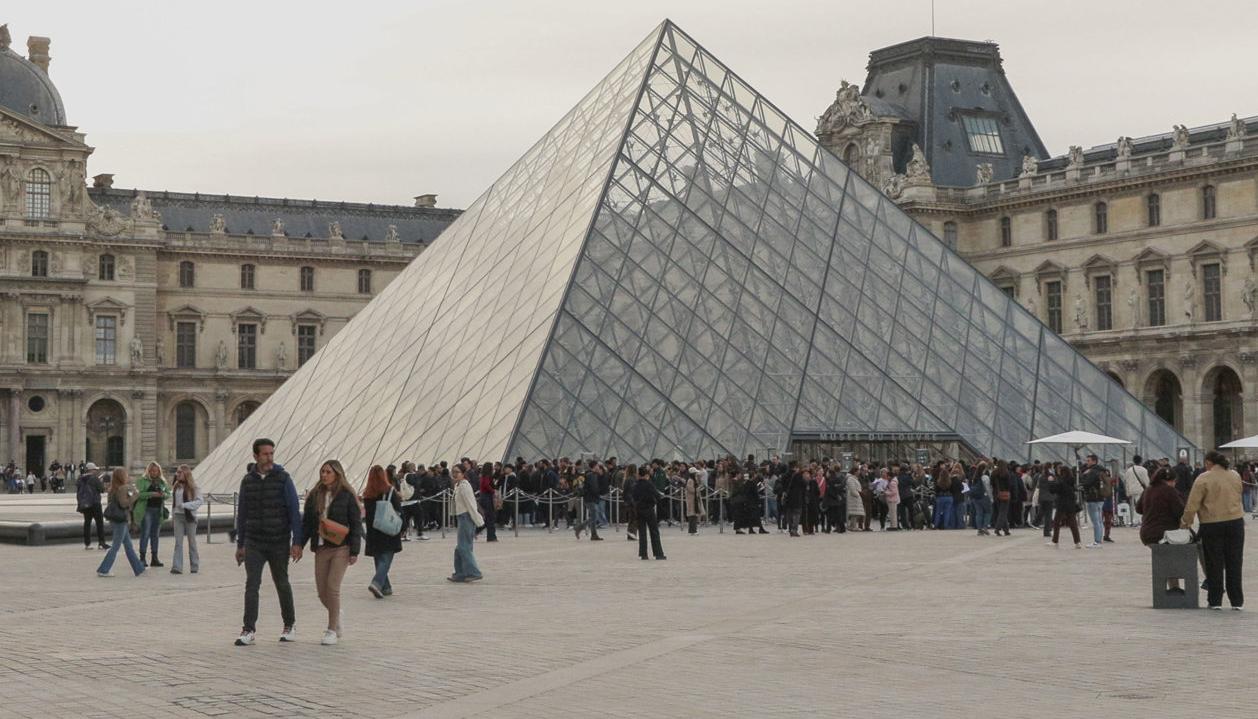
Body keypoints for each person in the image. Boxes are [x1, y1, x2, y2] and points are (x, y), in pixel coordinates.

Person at [234, 438, 304, 647]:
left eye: (271, 453)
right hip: (254, 540)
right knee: (252, 584)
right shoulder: (248, 481)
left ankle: (289, 624)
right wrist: (240, 544)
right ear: (255, 456)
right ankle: (248, 629)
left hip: (278, 540)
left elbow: (293, 510)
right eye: (265, 454)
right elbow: (243, 513)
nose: (269, 457)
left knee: (281, 582)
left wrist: (297, 542)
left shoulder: (283, 479)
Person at [1180, 451, 1245, 610]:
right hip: (1235, 522)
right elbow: (1239, 493)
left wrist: (1185, 523)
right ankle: (1237, 601)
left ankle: (1215, 600)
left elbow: (1192, 505)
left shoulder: (1203, 478)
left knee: (1214, 563)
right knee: (1234, 562)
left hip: (1212, 524)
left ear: (1209, 462)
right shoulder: (1235, 475)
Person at [1135, 467, 1185, 594]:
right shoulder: (1170, 491)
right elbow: (1179, 511)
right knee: (1184, 551)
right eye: (1174, 482)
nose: (1174, 484)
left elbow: (1139, 509)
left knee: (1167, 556)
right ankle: (1175, 587)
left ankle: (1174, 587)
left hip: (1147, 534)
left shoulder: (1148, 490)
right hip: (1165, 534)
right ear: (1171, 481)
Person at [96, 468, 146, 577]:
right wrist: (135, 496)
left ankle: (138, 568)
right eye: (126, 475)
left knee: (128, 546)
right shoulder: (123, 488)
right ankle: (104, 569)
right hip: (121, 519)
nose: (127, 476)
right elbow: (124, 504)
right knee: (116, 546)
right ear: (122, 476)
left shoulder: (113, 489)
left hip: (115, 519)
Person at [363, 464, 403, 599]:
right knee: (386, 558)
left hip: (373, 530)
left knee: (378, 558)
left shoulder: (367, 493)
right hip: (387, 528)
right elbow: (398, 510)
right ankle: (377, 582)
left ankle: (386, 587)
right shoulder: (389, 491)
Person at [449, 465, 485, 582]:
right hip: (462, 517)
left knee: (463, 547)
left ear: (463, 473)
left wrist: (478, 521)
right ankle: (460, 573)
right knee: (461, 547)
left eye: (457, 472)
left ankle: (474, 572)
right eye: (453, 472)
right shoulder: (458, 485)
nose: (455, 474)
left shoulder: (464, 486)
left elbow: (471, 504)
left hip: (466, 517)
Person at [133, 462, 170, 567]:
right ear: (148, 471)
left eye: (156, 471)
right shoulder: (142, 481)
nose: (154, 473)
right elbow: (139, 495)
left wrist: (163, 495)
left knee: (155, 535)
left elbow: (168, 493)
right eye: (152, 471)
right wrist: (151, 494)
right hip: (147, 510)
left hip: (158, 510)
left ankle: (154, 558)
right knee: (145, 533)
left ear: (159, 471)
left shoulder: (162, 482)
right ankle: (142, 558)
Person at [170, 464, 202, 575]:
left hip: (190, 517)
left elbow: (199, 501)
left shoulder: (194, 488)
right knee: (178, 542)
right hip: (178, 516)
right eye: (177, 472)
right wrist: (173, 514)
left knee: (191, 542)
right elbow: (174, 504)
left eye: (179, 472)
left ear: (186, 474)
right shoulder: (176, 486)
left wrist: (185, 505)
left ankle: (194, 566)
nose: (177, 474)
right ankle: (177, 567)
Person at [631, 467, 666, 560]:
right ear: (646, 475)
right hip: (649, 510)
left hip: (639, 510)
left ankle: (643, 554)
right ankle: (658, 553)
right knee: (654, 531)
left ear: (639, 475)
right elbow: (657, 495)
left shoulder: (635, 485)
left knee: (642, 533)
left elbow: (633, 497)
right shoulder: (649, 484)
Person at [76, 462, 109, 550]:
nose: (96, 471)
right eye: (95, 469)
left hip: (85, 503)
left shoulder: (80, 479)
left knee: (87, 523)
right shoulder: (95, 479)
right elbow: (101, 489)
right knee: (99, 523)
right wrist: (101, 482)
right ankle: (101, 542)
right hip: (95, 502)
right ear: (91, 470)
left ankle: (87, 543)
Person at [1051, 466, 1082, 549]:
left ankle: (1055, 541)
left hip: (1062, 504)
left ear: (1062, 472)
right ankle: (1077, 542)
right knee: (1073, 523)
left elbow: (1053, 490)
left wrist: (1051, 482)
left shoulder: (1061, 481)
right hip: (1071, 505)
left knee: (1056, 523)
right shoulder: (1072, 480)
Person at [1079, 454, 1106, 548]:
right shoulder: (1102, 470)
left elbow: (1086, 483)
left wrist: (1083, 475)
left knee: (1095, 521)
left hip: (1093, 498)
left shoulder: (1093, 471)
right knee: (1099, 520)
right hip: (1101, 497)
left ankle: (1097, 541)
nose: (1087, 463)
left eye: (1088, 461)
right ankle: (1099, 539)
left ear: (1094, 461)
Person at [574, 462, 604, 541]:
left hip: (590, 498)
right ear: (594, 466)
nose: (599, 467)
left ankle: (592, 534)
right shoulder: (591, 475)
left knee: (594, 516)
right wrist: (598, 494)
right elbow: (594, 488)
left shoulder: (591, 475)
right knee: (594, 516)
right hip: (590, 499)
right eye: (597, 466)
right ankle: (580, 528)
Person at [1122, 454, 1150, 527]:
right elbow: (1146, 481)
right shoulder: (1143, 470)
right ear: (1141, 461)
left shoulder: (1129, 470)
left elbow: (1126, 482)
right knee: (1140, 506)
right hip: (1140, 490)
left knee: (1133, 506)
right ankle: (1139, 521)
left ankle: (1134, 520)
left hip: (1131, 490)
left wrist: (1127, 492)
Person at [970, 461, 992, 536]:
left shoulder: (974, 477)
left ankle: (979, 529)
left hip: (976, 497)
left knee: (979, 513)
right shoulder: (985, 477)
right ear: (985, 469)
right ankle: (985, 527)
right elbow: (988, 488)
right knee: (988, 512)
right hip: (984, 496)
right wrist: (991, 498)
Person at [478, 462, 498, 542]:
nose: (493, 468)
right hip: (487, 497)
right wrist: (493, 491)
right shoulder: (487, 476)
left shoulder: (483, 476)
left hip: (484, 496)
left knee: (488, 517)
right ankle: (491, 536)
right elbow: (486, 485)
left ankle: (478, 530)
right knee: (490, 517)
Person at [991, 460, 1012, 536]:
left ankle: (1006, 529)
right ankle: (997, 528)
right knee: (1003, 512)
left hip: (996, 494)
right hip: (1005, 494)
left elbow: (992, 484)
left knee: (1001, 512)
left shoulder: (994, 473)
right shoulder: (1006, 473)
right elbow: (1009, 485)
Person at [683, 467, 705, 535]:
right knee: (692, 516)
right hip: (692, 500)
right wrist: (698, 489)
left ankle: (693, 530)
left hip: (694, 500)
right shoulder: (690, 480)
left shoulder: (694, 480)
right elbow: (691, 489)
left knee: (694, 515)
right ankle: (693, 530)